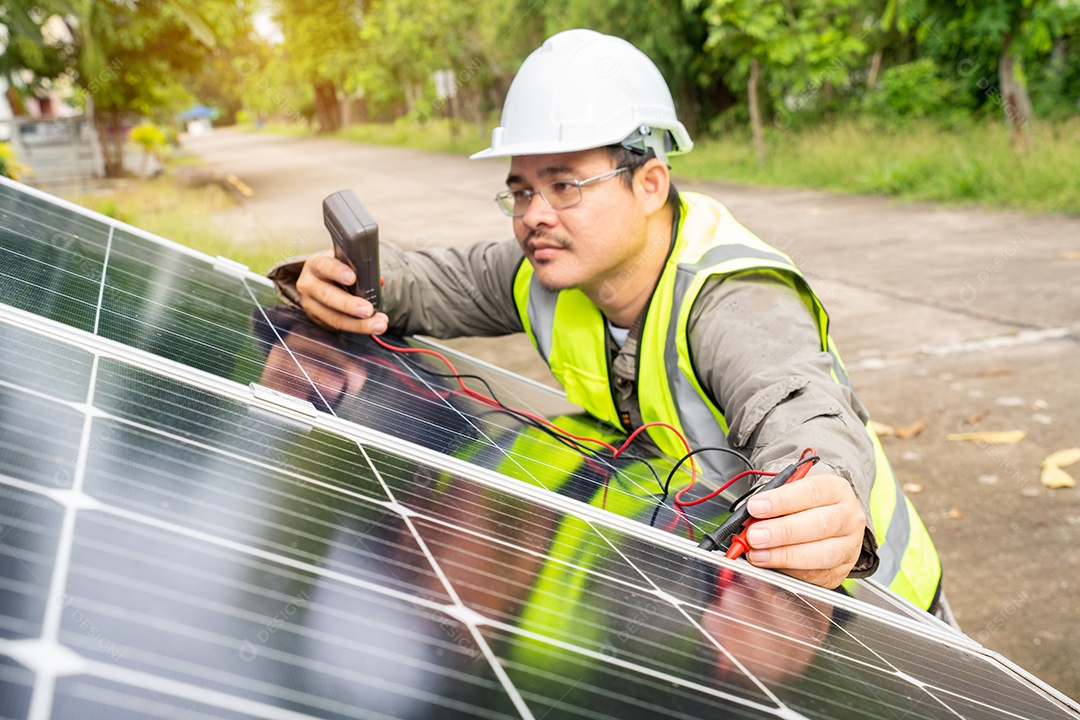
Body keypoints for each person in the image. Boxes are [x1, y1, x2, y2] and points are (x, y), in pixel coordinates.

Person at [270, 29, 947, 615]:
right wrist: (335, 282)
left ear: (649, 184)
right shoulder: (546, 269)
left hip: (873, 608)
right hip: (738, 589)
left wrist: (826, 496)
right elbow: (430, 282)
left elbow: (805, 411)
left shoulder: (731, 299)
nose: (534, 212)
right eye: (521, 189)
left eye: (564, 185)